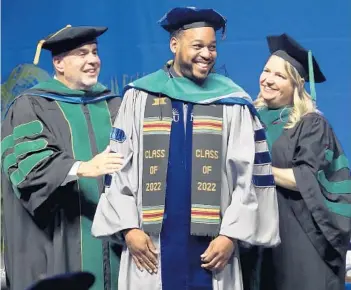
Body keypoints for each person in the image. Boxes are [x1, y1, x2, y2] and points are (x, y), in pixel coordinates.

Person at [91, 7, 280, 290]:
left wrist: (231, 236)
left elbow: (250, 176)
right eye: (198, 46)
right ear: (174, 44)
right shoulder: (140, 96)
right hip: (151, 245)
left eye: (212, 47)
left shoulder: (232, 102)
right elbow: (118, 166)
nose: (207, 54)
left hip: (213, 248)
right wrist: (128, 229)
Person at [1, 25, 123, 290]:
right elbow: (25, 167)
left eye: (94, 52)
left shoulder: (113, 105)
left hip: (114, 244)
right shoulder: (30, 105)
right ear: (58, 63)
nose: (92, 60)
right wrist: (81, 167)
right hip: (56, 241)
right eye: (81, 53)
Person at [241, 33, 351, 290]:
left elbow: (305, 179)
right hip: (255, 237)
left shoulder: (310, 123)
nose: (268, 79)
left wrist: (259, 169)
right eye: (266, 71)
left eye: (280, 76)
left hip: (299, 236)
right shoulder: (249, 118)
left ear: (297, 85)